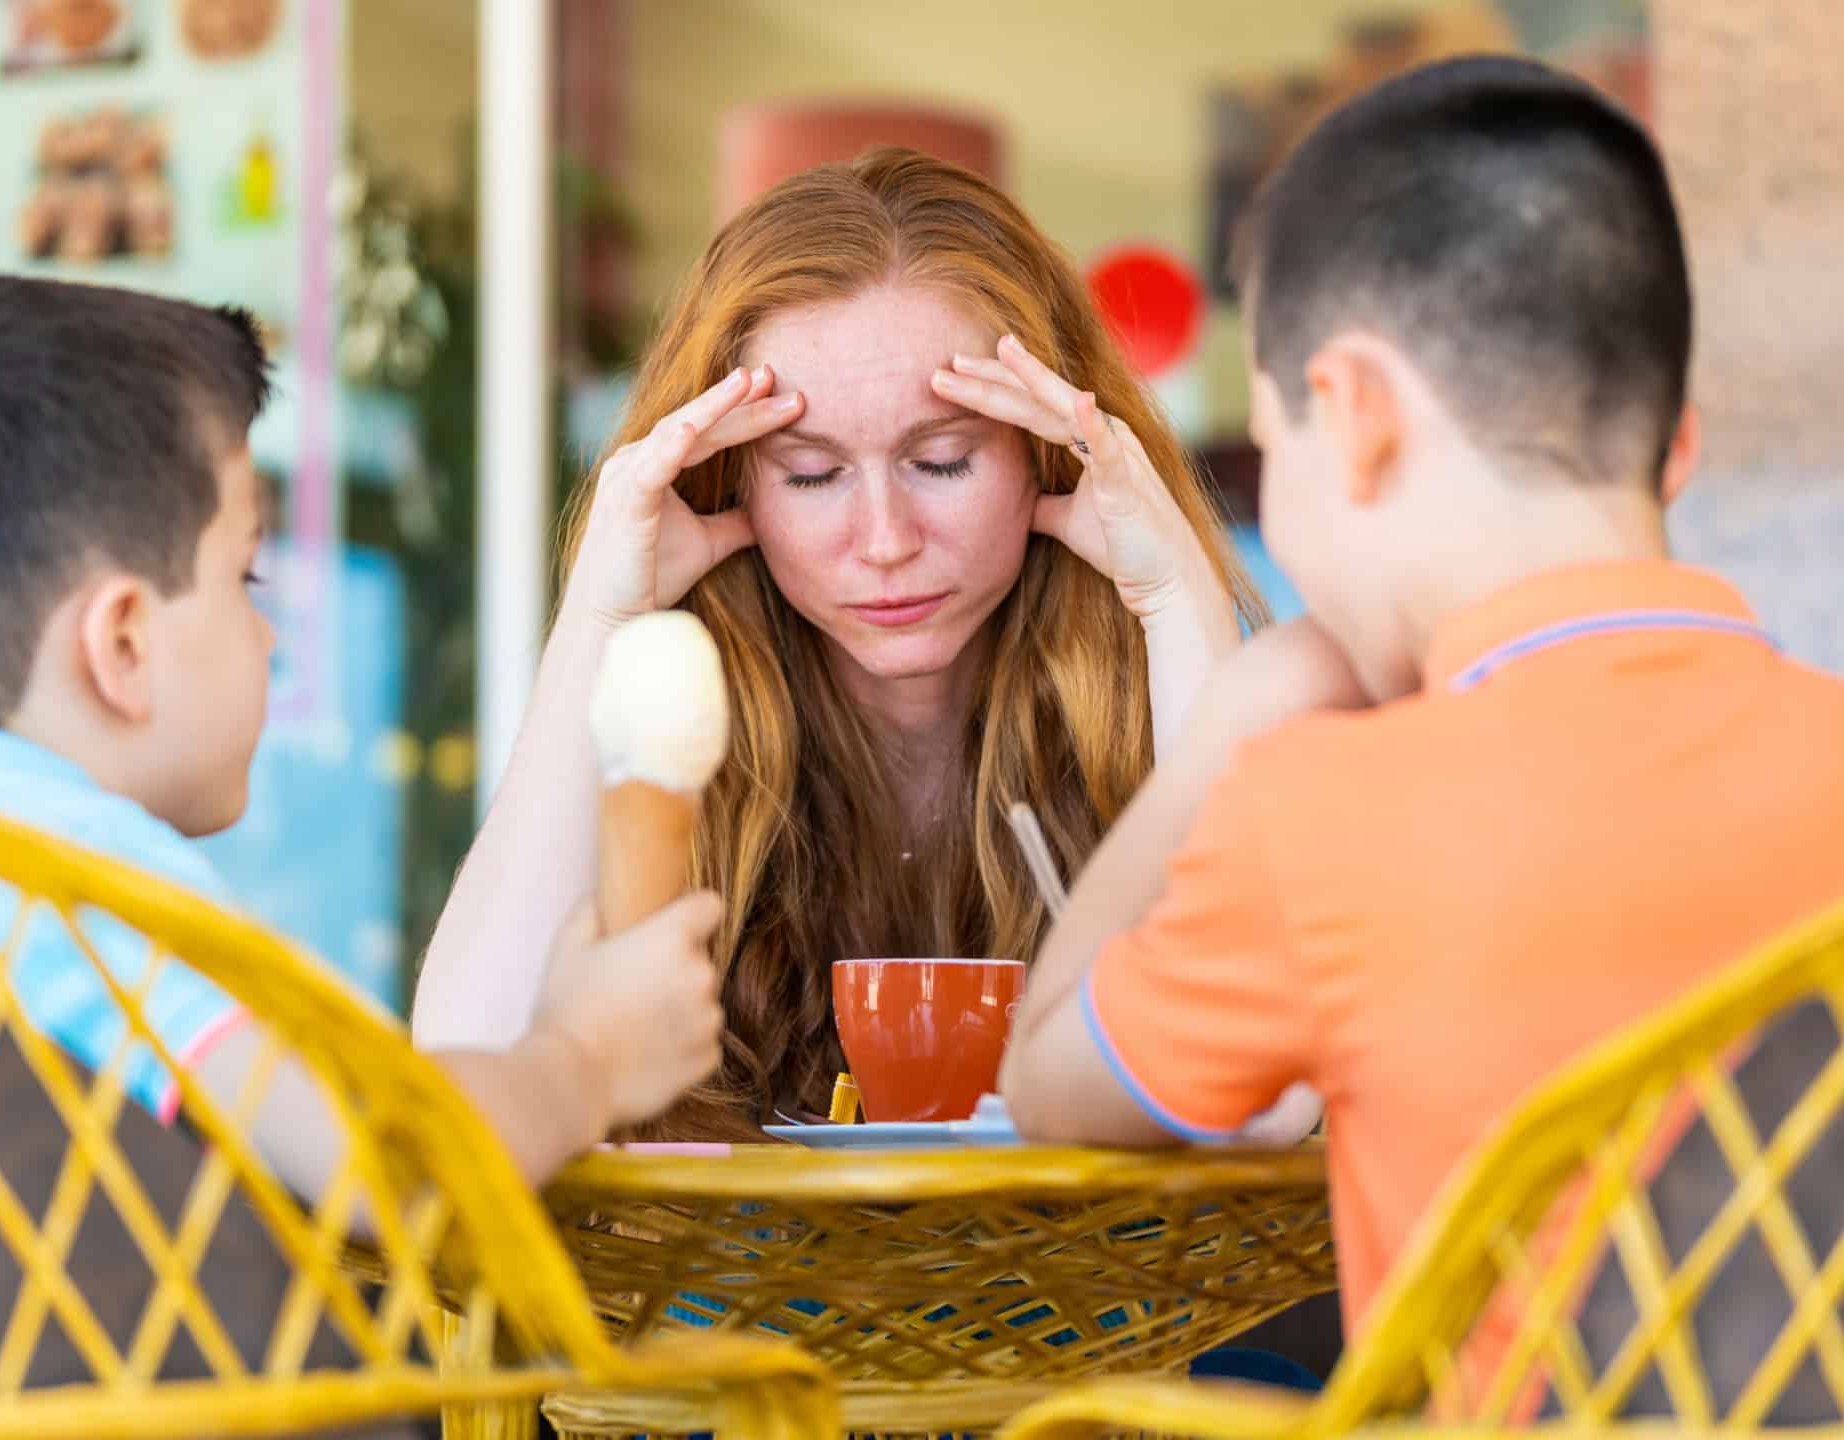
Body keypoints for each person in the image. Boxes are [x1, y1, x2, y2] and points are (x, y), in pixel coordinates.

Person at [996, 55, 1844, 1335]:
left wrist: (1224, 732)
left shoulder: (1316, 817)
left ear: (1356, 414)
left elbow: (1046, 1083)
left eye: (1275, 450)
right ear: (1676, 440)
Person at [0, 273, 727, 1194]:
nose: (267, 633)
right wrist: (583, 1057)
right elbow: (382, 1167)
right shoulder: (74, 881)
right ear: (123, 644)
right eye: (245, 576)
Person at [412, 148, 1265, 1137]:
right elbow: (468, 1061)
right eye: (811, 474)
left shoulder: (1165, 685)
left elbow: (1262, 1091)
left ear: (1043, 447)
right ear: (729, 480)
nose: (887, 541)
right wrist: (598, 622)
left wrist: (1171, 594)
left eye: (942, 461)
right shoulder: (683, 704)